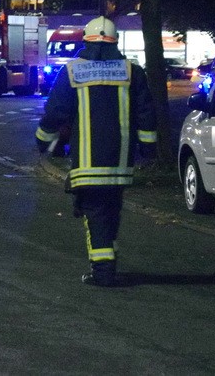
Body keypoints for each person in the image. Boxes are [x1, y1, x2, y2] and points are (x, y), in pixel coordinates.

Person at [35, 16, 157, 287]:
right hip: (120, 164)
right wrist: (148, 150)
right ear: (115, 41)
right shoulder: (132, 72)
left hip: (88, 165)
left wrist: (42, 141)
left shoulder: (72, 71)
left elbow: (56, 113)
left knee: (96, 215)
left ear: (85, 41)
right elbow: (147, 114)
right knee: (111, 212)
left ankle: (103, 273)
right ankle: (109, 265)